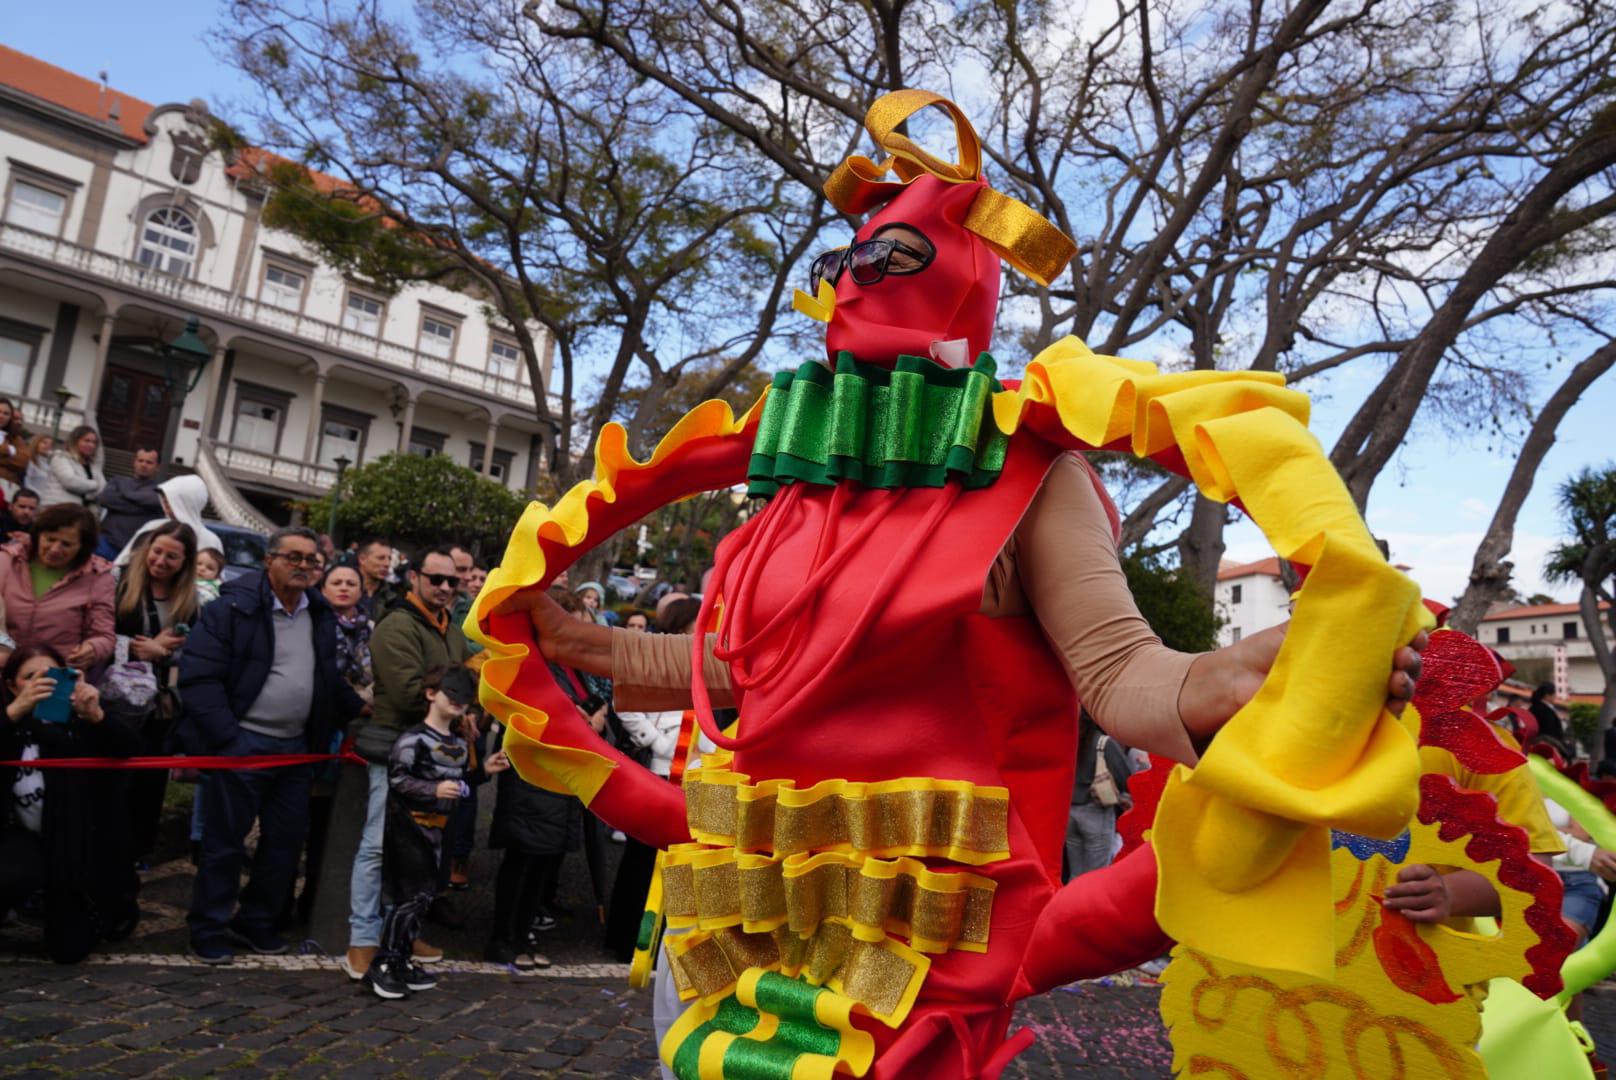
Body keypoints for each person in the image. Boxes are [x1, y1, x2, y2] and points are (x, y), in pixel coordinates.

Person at [481, 92, 1428, 1075]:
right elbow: (759, 664)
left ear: (965, 282)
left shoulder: (1034, 467)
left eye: (892, 258)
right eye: (840, 263)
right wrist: (583, 648)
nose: (854, 283)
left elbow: (1114, 666)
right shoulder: (801, 483)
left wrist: (1211, 685)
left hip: (924, 939)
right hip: (740, 904)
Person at [177, 526, 365, 964]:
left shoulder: (318, 613)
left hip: (296, 750)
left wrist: (356, 706)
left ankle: (255, 921)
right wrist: (229, 739)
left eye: (311, 560)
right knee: (225, 845)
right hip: (243, 743)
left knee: (283, 845)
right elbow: (199, 677)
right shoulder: (232, 608)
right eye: (292, 558)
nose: (303, 567)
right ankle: (207, 927)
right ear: (269, 560)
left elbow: (324, 676)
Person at [344, 544, 467, 979]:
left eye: (453, 581)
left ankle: (401, 931)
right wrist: (461, 697)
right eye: (437, 579)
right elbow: (409, 692)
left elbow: (453, 686)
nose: (446, 588)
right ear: (414, 576)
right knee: (378, 846)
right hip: (397, 747)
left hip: (435, 754)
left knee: (418, 852)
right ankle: (362, 936)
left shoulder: (450, 625)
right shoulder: (397, 625)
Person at [366, 666, 510, 998]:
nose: (460, 703)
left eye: (465, 698)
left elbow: (461, 783)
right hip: (409, 829)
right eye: (452, 694)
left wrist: (483, 771)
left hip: (440, 832)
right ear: (432, 694)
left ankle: (401, 959)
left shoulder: (458, 742)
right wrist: (433, 789)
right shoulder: (413, 740)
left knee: (424, 898)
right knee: (409, 899)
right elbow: (398, 779)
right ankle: (384, 963)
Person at [0, 644, 137, 963]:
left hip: (75, 844)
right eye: (30, 678)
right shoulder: (9, 723)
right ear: (11, 686)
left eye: (50, 676)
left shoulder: (80, 720)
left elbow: (129, 748)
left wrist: (97, 717)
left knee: (69, 949)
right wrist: (14, 712)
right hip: (20, 839)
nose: (41, 684)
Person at [605, 597, 699, 961]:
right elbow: (624, 704)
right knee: (641, 859)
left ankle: (663, 940)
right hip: (658, 770)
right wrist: (658, 742)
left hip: (695, 773)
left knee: (680, 863)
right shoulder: (653, 660)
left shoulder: (707, 663)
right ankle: (628, 938)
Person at [110, 521, 199, 865]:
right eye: (157, 551)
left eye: (172, 557)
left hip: (157, 705)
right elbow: (97, 633)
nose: (161, 561)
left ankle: (136, 853)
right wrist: (137, 650)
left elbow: (191, 651)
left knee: (148, 780)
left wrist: (163, 650)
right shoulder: (118, 583)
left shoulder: (189, 601)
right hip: (115, 699)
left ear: (184, 563)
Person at [0, 503, 116, 670]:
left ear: (83, 546)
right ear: (38, 534)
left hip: (54, 674)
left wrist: (93, 648)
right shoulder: (7, 561)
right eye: (50, 539)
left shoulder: (98, 577)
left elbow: (104, 636)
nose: (55, 549)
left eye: (66, 544)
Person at [1065, 713, 1135, 881]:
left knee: (1075, 874)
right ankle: (1090, 908)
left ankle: (1073, 905)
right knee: (1097, 875)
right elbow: (1127, 778)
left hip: (1068, 814)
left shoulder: (1067, 742)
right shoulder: (1103, 743)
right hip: (1096, 812)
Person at [114, 475, 222, 569]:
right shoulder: (152, 527)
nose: (166, 506)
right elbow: (123, 562)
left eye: (171, 501)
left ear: (189, 502)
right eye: (164, 500)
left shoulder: (210, 541)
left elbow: (215, 581)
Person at [94, 447, 165, 559]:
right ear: (134, 462)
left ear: (158, 467)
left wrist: (124, 494)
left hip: (135, 552)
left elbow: (153, 500)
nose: (143, 465)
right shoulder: (117, 481)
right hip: (105, 544)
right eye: (140, 460)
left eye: (149, 462)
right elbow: (104, 499)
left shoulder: (162, 490)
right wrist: (141, 506)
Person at [33, 425, 104, 510]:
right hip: (57, 508)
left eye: (94, 442)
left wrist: (84, 491)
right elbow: (70, 481)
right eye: (87, 441)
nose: (91, 445)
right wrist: (95, 485)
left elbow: (104, 490)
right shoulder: (61, 458)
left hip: (80, 512)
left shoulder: (94, 467)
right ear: (75, 441)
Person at [356, 538, 401, 619]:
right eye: (381, 558)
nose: (387, 564)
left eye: (389, 559)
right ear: (362, 559)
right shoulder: (343, 590)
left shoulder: (392, 598)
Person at [0, 397, 31, 498]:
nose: (2, 416)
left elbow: (23, 461)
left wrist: (5, 451)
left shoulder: (16, 438)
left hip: (6, 490)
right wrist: (10, 451)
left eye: (6, 413)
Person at [21, 434, 53, 501]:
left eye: (51, 444)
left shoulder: (49, 466)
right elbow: (27, 482)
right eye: (44, 443)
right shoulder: (29, 461)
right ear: (36, 444)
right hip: (31, 499)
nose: (48, 446)